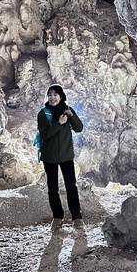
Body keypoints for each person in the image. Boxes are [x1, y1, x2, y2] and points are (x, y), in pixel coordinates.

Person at [37, 84, 84, 226]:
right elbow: (44, 135)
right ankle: (57, 217)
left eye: (55, 94)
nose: (52, 98)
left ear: (61, 96)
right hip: (49, 156)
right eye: (50, 95)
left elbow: (79, 128)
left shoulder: (68, 111)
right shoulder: (43, 113)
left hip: (66, 155)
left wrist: (72, 116)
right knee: (53, 188)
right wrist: (58, 123)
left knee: (71, 186)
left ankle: (77, 217)